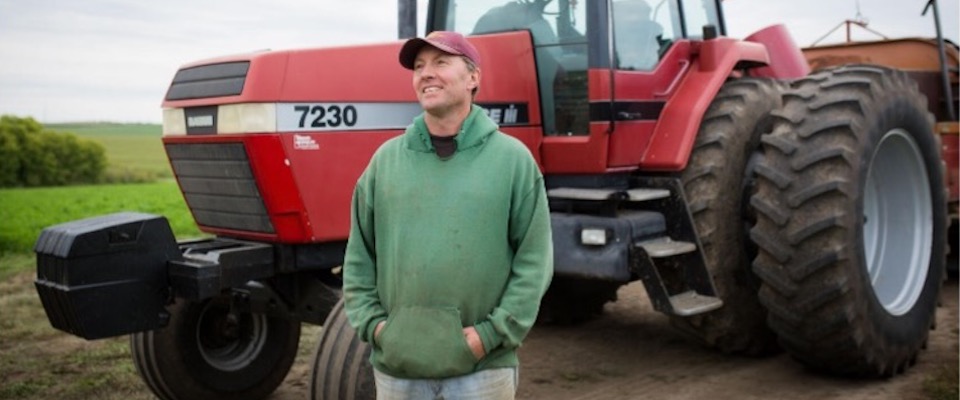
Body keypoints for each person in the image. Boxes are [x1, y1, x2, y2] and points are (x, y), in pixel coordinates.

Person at [341, 30, 554, 400]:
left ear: (473, 78)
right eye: (419, 66)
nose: (426, 73)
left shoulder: (512, 160)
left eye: (441, 62)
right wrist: (376, 328)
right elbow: (359, 257)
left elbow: (535, 261)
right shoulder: (384, 162)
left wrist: (490, 335)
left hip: (483, 370)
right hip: (398, 371)